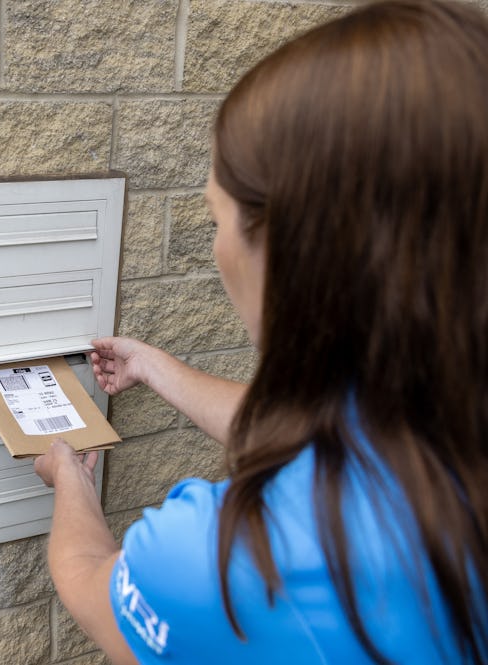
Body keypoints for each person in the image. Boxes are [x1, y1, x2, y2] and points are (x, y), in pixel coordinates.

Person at [33, 1, 488, 662]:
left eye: (217, 219)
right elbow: (326, 439)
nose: (218, 247)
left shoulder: (238, 559)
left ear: (289, 252)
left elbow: (89, 583)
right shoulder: (442, 420)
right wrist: (154, 367)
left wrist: (69, 474)